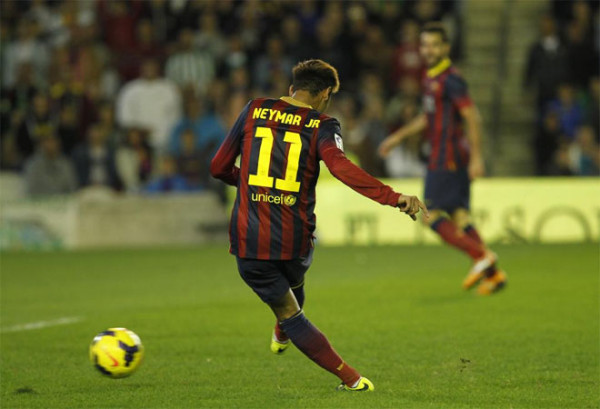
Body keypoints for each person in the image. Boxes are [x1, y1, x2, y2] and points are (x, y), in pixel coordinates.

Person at [210, 59, 427, 391]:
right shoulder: (323, 125)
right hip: (295, 238)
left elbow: (218, 166)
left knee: (288, 310)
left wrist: (246, 183)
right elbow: (341, 168)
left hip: (249, 238)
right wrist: (392, 197)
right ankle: (350, 377)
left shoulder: (255, 109)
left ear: (292, 89)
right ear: (325, 94)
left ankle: (305, 342)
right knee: (291, 299)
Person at [379, 23, 507, 295]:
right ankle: (494, 276)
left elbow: (472, 116)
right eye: (424, 45)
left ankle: (482, 256)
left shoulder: (450, 79)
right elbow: (428, 117)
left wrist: (477, 158)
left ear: (445, 47)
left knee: (431, 215)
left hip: (446, 156)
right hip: (449, 155)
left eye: (434, 45)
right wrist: (397, 137)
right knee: (460, 215)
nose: (428, 50)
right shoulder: (431, 77)